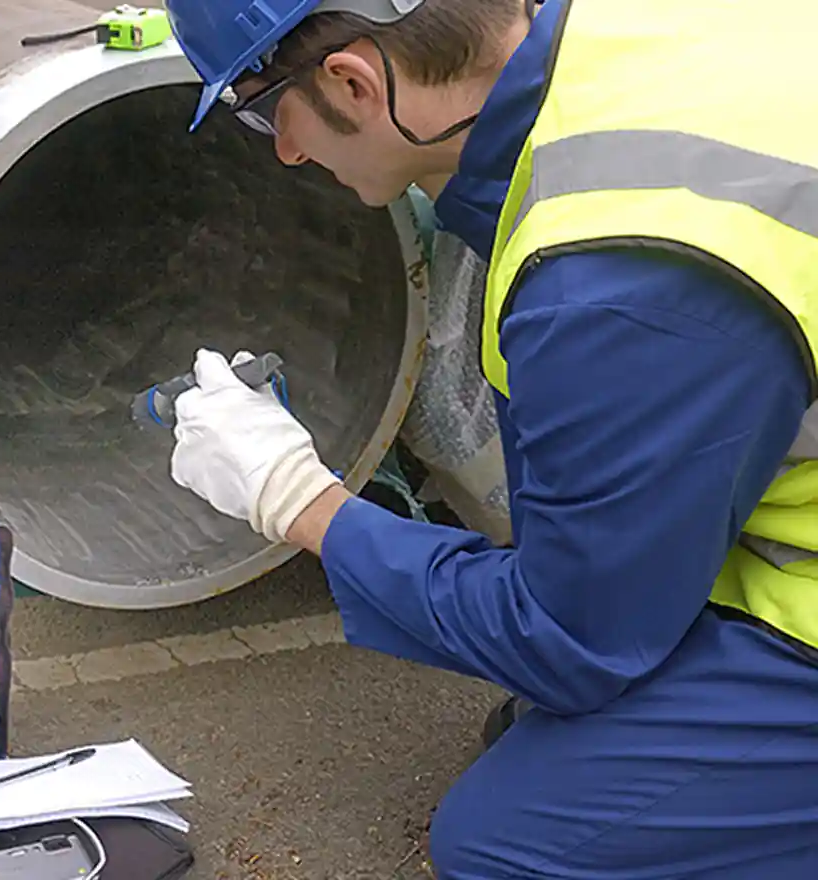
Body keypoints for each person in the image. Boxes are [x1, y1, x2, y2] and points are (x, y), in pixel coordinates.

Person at [159, 0, 818, 876]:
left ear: (352, 82)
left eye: (262, 104)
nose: (283, 149)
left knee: (511, 840)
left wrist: (299, 502)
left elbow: (571, 639)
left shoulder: (616, 281)